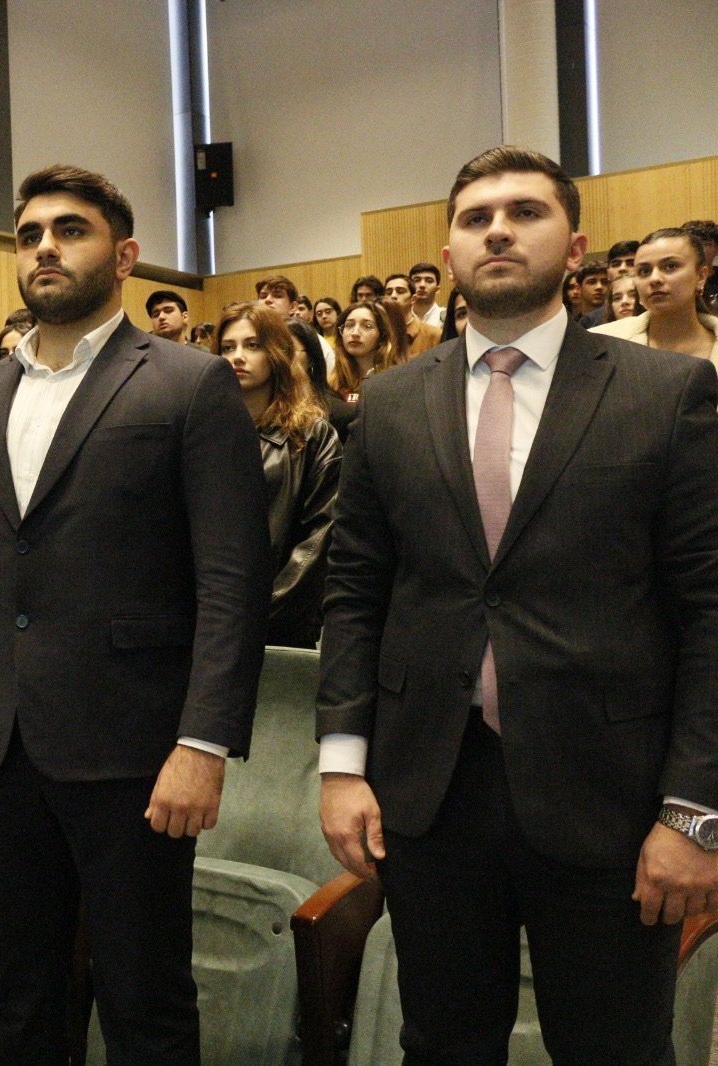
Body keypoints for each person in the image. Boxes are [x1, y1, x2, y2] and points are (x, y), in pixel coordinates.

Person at [317, 145, 718, 1063]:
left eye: (525, 213)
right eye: (476, 218)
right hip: (430, 793)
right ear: (450, 253)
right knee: (441, 1044)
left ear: (575, 248)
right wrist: (341, 766)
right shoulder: (389, 401)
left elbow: (708, 609)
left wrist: (695, 811)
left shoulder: (666, 393)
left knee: (615, 1050)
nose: (497, 230)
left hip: (611, 797)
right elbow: (356, 593)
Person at [0, 164, 269, 1064]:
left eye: (70, 230)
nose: (45, 248)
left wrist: (204, 742)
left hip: (133, 748)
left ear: (124, 256)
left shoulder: (189, 382)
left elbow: (231, 582)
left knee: (143, 999)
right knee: (16, 994)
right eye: (30, 235)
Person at [218, 304, 340, 649]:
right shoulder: (203, 431)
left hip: (282, 622)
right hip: (209, 620)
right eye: (227, 347)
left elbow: (322, 536)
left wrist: (262, 612)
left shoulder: (312, 434)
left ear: (276, 353)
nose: (237, 356)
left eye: (252, 345)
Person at [593, 227, 718, 362]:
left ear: (701, 276)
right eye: (644, 271)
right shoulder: (601, 341)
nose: (654, 279)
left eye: (670, 266)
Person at [291, 319, 354, 440]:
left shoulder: (340, 414)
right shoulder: (259, 406)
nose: (279, 356)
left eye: (288, 349)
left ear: (310, 357)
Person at [331, 300, 398, 402]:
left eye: (367, 326)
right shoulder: (332, 383)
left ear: (382, 336)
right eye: (349, 325)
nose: (355, 333)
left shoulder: (395, 380)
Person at [384, 273, 441, 357]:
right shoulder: (379, 333)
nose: (393, 296)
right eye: (389, 292)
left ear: (413, 299)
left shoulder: (434, 335)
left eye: (400, 291)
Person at [408, 262, 445, 329]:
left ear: (437, 289)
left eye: (429, 281)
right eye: (417, 280)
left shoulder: (447, 317)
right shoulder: (400, 318)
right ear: (409, 287)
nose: (422, 285)